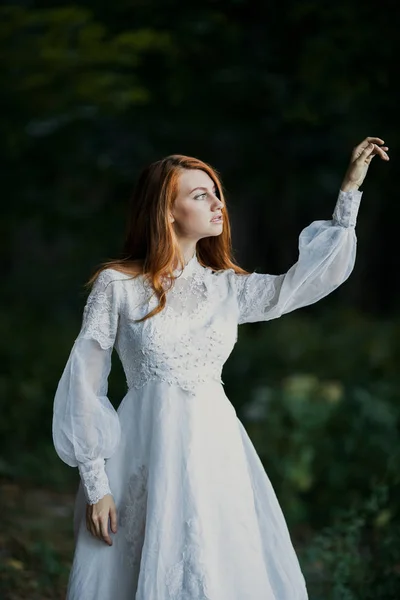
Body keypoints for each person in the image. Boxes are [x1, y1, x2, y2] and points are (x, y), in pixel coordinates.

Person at [52, 137, 389, 599]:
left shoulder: (226, 289)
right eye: (199, 195)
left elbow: (304, 283)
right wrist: (96, 484)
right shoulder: (117, 286)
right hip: (142, 449)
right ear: (167, 212)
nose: (217, 204)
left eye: (216, 192)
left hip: (215, 449)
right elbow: (85, 384)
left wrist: (349, 190)